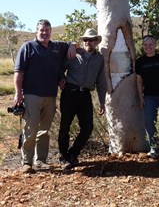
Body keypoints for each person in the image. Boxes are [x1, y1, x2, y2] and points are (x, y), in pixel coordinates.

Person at [14, 19, 76, 173]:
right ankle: (26, 163)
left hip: (50, 95)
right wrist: (18, 93)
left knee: (44, 130)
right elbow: (18, 72)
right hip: (31, 95)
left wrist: (73, 45)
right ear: (36, 31)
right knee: (30, 128)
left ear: (51, 32)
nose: (44, 33)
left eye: (47, 30)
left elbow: (72, 44)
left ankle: (41, 161)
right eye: (41, 30)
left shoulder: (57, 47)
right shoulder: (27, 47)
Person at [58, 28, 107, 169]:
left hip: (85, 95)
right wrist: (61, 78)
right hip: (69, 92)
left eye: (91, 40)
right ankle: (63, 157)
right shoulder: (74, 54)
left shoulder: (99, 59)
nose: (87, 42)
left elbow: (101, 82)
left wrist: (102, 102)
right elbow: (61, 68)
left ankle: (73, 153)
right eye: (85, 39)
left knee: (87, 127)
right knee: (65, 126)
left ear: (96, 42)